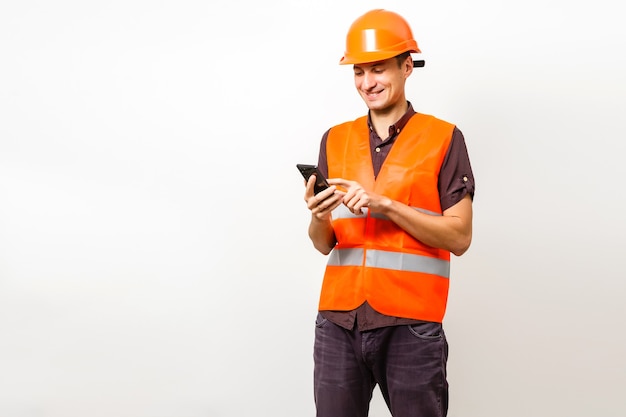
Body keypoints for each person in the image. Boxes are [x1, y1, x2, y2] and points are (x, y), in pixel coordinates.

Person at [302, 9, 475, 417]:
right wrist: (317, 215)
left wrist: (387, 206)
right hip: (338, 324)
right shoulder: (335, 139)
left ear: (407, 66)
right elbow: (323, 243)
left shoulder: (443, 138)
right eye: (359, 72)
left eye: (378, 69)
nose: (368, 83)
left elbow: (460, 237)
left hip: (410, 327)